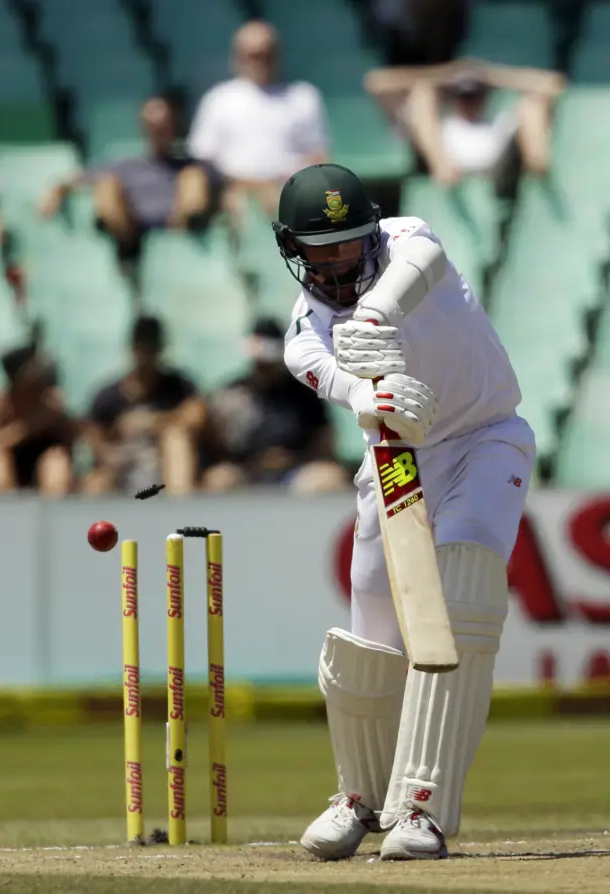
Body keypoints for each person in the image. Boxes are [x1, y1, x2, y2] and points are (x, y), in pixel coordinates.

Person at [275, 163, 535, 859]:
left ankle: (420, 806)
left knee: (464, 593)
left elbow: (425, 258)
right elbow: (301, 353)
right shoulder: (310, 315)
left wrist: (374, 315)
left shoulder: (405, 239)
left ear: (370, 231)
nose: (333, 262)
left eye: (346, 244)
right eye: (317, 249)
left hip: (486, 436)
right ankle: (359, 797)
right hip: (394, 456)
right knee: (373, 622)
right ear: (292, 247)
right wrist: (355, 393)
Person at [38, 92, 216, 256]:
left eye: (164, 126)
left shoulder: (194, 165)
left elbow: (228, 184)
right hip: (133, 234)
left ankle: (180, 249)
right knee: (106, 185)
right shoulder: (126, 165)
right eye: (153, 127)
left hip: (180, 232)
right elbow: (79, 178)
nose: (159, 132)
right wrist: (57, 189)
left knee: (194, 178)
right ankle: (126, 256)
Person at [188, 20, 328, 218]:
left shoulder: (303, 96)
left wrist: (286, 188)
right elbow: (204, 161)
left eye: (268, 53)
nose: (261, 61)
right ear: (237, 57)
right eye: (253, 55)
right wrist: (254, 187)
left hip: (293, 194)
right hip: (234, 194)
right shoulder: (218, 99)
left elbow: (318, 156)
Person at [365, 59, 566, 190]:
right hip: (450, 166)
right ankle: (441, 168)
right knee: (422, 95)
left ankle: (538, 165)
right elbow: (376, 82)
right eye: (464, 97)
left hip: (500, 170)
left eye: (477, 96)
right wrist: (448, 74)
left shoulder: (497, 121)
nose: (470, 103)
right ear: (453, 98)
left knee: (532, 104)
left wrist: (489, 75)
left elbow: (554, 84)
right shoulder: (442, 124)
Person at [202, 318, 348, 493]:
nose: (264, 367)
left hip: (296, 473)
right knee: (219, 478)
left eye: (269, 362)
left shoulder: (305, 394)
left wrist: (293, 458)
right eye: (260, 362)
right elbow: (217, 446)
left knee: (329, 476)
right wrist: (254, 461)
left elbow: (324, 441)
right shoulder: (232, 395)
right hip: (247, 472)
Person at [83, 316, 205, 495]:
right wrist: (112, 446)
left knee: (176, 440)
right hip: (123, 466)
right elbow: (93, 436)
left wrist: (152, 423)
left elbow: (197, 415)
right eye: (142, 347)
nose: (146, 355)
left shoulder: (178, 387)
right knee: (95, 483)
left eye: (151, 347)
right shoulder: (109, 395)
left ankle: (179, 514)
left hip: (162, 465)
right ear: (132, 348)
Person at [0, 345, 74, 494]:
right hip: (10, 461)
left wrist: (57, 419)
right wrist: (28, 427)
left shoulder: (52, 403)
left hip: (44, 459)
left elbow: (70, 444)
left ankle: (55, 513)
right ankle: (5, 512)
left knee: (56, 462)